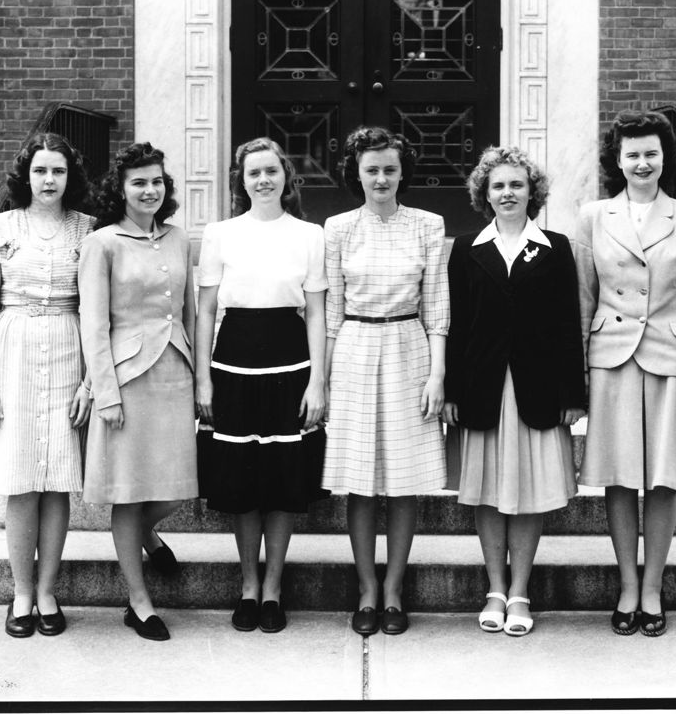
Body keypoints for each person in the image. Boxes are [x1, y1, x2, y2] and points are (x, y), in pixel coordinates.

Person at [574, 110, 676, 637]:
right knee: (618, 475)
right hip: (610, 355)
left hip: (671, 355)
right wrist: (579, 369)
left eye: (651, 153)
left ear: (664, 159)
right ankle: (627, 585)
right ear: (618, 160)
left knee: (662, 476)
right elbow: (584, 296)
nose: (642, 163)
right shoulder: (593, 216)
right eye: (632, 153)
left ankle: (653, 588)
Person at [443, 146, 586, 637]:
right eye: (498, 186)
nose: (507, 193)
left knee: (527, 492)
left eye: (516, 185)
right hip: (482, 387)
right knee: (487, 490)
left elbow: (569, 323)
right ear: (485, 193)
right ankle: (495, 588)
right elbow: (457, 325)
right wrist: (451, 390)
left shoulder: (555, 246)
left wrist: (573, 392)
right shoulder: (465, 248)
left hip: (537, 386)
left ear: (532, 193)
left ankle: (521, 591)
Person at [0, 132, 93, 638]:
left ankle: (47, 590)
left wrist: (89, 380)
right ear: (26, 175)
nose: (49, 180)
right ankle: (21, 592)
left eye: (58, 171)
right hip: (12, 351)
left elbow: (93, 307)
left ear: (69, 176)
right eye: (40, 171)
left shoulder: (88, 230)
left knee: (57, 477)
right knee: (21, 479)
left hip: (68, 345)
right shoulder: (0, 229)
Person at [195, 137, 328, 635]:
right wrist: (203, 378)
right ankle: (248, 584)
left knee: (280, 481)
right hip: (234, 364)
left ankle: (274, 586)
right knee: (243, 483)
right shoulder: (220, 233)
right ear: (242, 180)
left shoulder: (309, 235)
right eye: (254, 173)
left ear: (285, 177)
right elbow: (207, 309)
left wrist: (318, 380)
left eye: (272, 171)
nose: (263, 180)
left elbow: (315, 312)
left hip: (290, 362)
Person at [322, 126, 449, 637]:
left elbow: (437, 306)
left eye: (390, 169)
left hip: (409, 348)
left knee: (402, 481)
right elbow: (331, 311)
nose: (381, 178)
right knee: (359, 481)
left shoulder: (427, 225)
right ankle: (367, 588)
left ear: (403, 173)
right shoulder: (337, 228)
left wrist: (438, 373)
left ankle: (394, 589)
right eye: (371, 169)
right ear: (356, 172)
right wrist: (324, 379)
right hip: (354, 346)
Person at [79, 142, 198, 641]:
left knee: (180, 485)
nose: (150, 190)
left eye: (156, 182)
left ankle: (147, 534)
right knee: (128, 495)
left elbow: (189, 311)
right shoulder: (102, 243)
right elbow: (93, 323)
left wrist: (200, 377)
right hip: (127, 380)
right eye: (139, 183)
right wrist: (104, 391)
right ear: (121, 189)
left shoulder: (180, 239)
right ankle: (139, 601)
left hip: (176, 372)